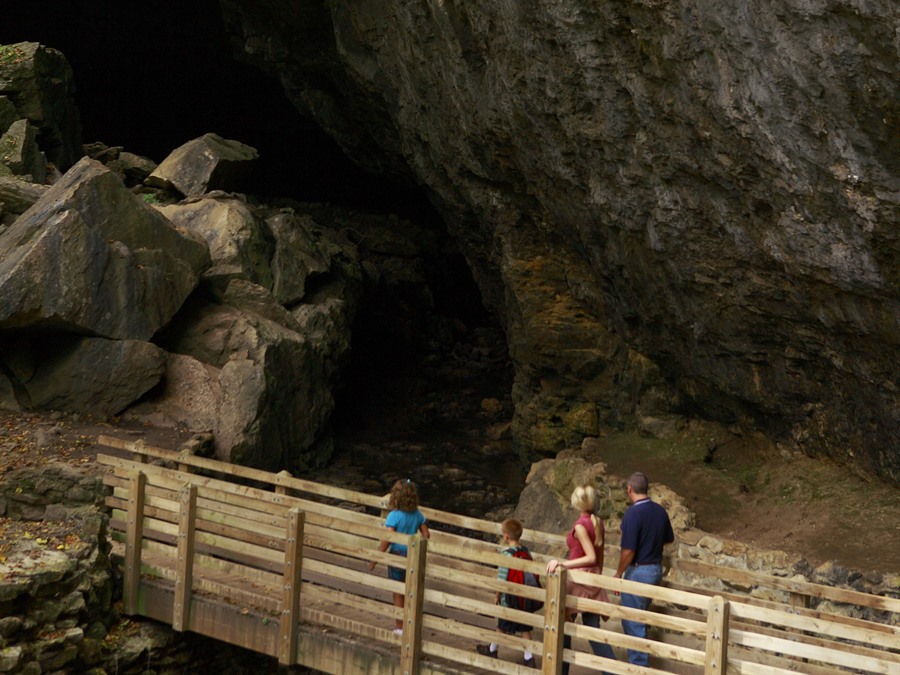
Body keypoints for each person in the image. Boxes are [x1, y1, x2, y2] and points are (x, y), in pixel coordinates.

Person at [546, 484, 617, 674]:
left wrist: (562, 563)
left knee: (563, 627)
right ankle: (612, 671)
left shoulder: (580, 525)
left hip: (578, 581)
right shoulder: (598, 522)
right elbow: (597, 560)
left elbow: (591, 556)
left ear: (576, 502)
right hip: (592, 581)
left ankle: (561, 671)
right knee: (593, 630)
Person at [613, 471, 675, 667]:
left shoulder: (632, 513)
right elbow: (668, 538)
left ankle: (639, 668)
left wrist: (618, 573)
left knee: (633, 621)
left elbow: (628, 550)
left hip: (639, 570)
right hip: (655, 569)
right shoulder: (659, 511)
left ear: (629, 489)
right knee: (639, 617)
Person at [368, 479, 430, 634]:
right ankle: (410, 624)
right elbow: (426, 535)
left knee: (397, 592)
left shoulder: (394, 516)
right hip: (412, 556)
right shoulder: (418, 515)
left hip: (397, 556)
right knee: (410, 590)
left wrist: (376, 558)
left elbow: (388, 539)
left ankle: (399, 627)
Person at [475, 518, 538, 668]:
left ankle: (492, 650)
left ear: (506, 536)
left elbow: (502, 579)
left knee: (501, 625)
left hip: (509, 600)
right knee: (524, 628)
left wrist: (497, 595)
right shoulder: (526, 552)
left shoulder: (506, 555)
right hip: (523, 598)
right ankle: (529, 658)